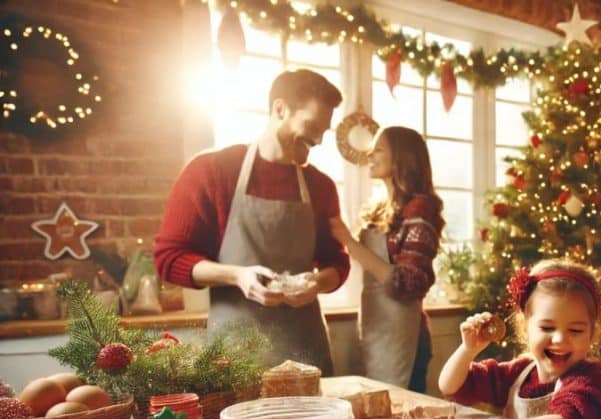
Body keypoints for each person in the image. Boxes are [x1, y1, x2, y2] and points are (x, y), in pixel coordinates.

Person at [155, 69, 348, 374]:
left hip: (306, 354)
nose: (318, 140)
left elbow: (337, 262)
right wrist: (237, 276)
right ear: (280, 109)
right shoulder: (212, 171)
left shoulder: (321, 186)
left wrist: (315, 283)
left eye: (324, 131)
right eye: (312, 126)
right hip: (233, 355)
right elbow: (169, 259)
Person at [436, 259, 601, 419]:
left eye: (575, 330)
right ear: (525, 328)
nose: (559, 339)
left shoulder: (586, 378)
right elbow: (450, 386)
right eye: (547, 328)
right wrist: (467, 350)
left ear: (592, 334)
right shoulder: (518, 373)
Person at [327, 127, 444, 391]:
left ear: (402, 157)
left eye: (379, 149)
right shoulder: (380, 208)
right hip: (376, 329)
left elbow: (407, 283)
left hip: (405, 337)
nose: (371, 154)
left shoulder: (420, 209)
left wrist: (348, 241)